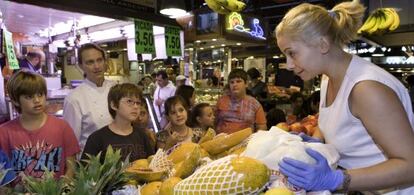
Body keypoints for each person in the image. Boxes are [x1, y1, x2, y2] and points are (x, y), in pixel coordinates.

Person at [275, 0, 414, 194]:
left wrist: (336, 179)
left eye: (292, 53)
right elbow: (329, 125)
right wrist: (314, 142)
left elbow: (410, 166)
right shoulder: (327, 78)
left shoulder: (366, 89)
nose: (289, 65)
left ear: (323, 44)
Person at [0, 71, 79, 182]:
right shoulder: (4, 133)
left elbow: (71, 167)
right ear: (16, 101)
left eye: (40, 94)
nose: (37, 100)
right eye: (29, 97)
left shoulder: (62, 127)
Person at [81, 83, 154, 162]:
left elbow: (152, 165)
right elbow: (86, 171)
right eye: (129, 101)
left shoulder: (142, 135)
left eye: (138, 103)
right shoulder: (97, 138)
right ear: (114, 105)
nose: (135, 107)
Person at [63, 43, 116, 151]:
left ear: (105, 62)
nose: (96, 66)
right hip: (91, 162)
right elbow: (70, 142)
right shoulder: (74, 98)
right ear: (81, 66)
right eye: (90, 62)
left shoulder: (116, 88)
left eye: (99, 60)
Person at [215, 69, 267, 134]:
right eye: (232, 82)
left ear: (246, 84)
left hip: (247, 142)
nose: (234, 84)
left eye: (238, 81)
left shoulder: (255, 104)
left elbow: (262, 128)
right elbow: (214, 122)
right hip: (221, 141)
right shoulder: (221, 101)